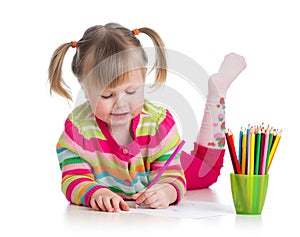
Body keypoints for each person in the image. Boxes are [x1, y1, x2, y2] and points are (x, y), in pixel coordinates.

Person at [48, 22, 246, 212]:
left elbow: (173, 176)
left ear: (143, 79)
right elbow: (72, 178)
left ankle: (217, 94)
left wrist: (167, 191)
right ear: (84, 87)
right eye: (108, 95)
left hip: (159, 164)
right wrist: (95, 193)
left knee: (207, 169)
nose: (121, 104)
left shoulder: (158, 124)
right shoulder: (77, 130)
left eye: (132, 91)